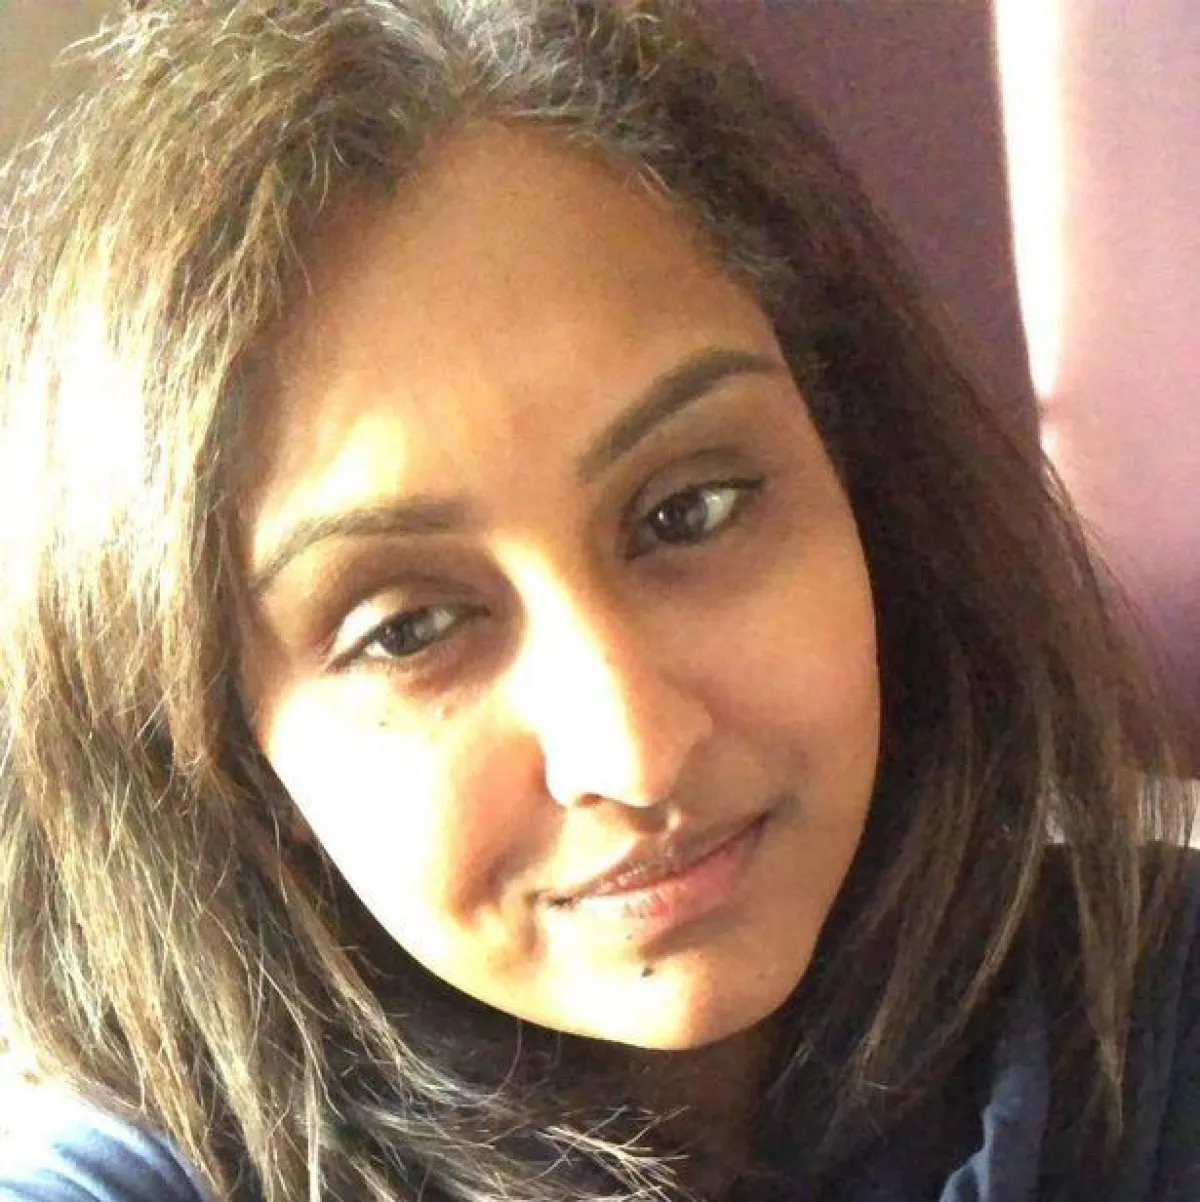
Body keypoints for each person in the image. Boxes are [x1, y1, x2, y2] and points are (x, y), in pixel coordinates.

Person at [0, 2, 1195, 1200]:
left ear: (859, 477)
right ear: (225, 745)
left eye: (692, 511)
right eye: (408, 628)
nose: (634, 749)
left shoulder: (1153, 1013)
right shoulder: (147, 1167)